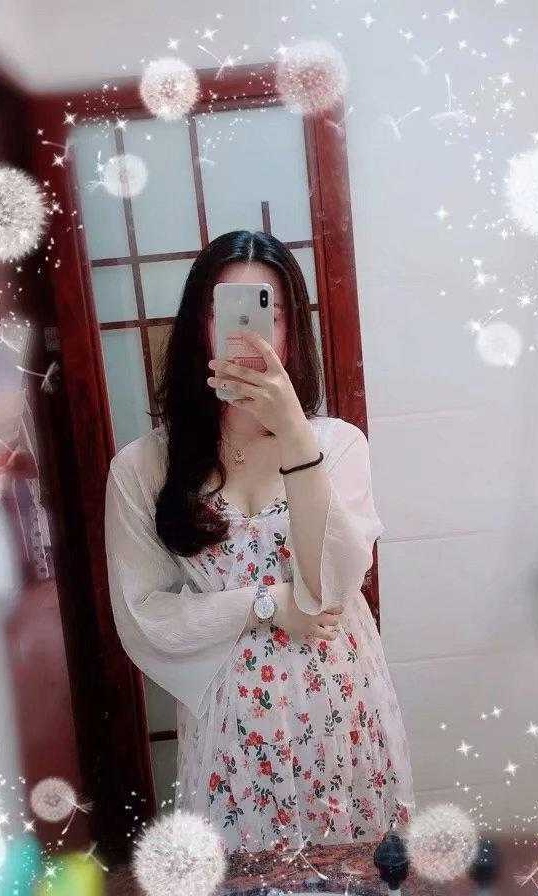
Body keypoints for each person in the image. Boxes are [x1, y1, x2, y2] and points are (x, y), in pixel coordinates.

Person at [104, 230, 414, 853]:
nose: (248, 335)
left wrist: (296, 436)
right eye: (225, 311)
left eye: (267, 310)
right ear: (198, 328)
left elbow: (330, 586)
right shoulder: (144, 467)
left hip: (340, 709)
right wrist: (264, 603)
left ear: (292, 329)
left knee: (353, 872)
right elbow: (144, 616)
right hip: (232, 727)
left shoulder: (339, 445)